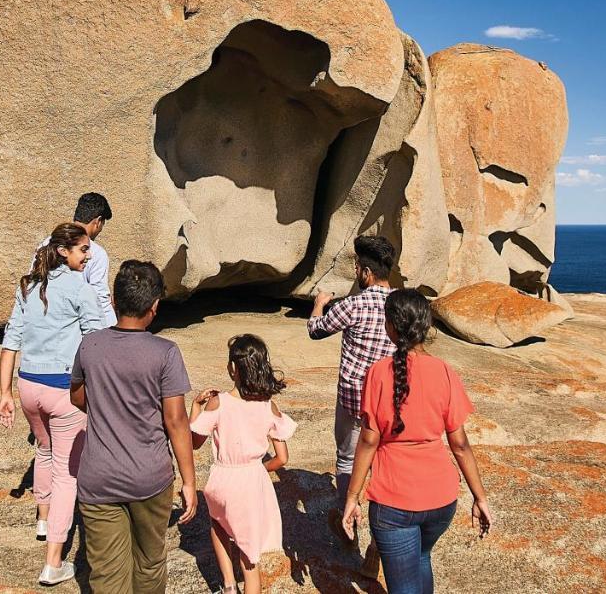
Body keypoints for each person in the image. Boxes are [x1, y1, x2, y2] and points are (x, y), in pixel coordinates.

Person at [340, 289, 493, 594]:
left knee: (404, 585)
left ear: (392, 326)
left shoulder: (378, 373)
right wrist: (480, 497)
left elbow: (369, 442)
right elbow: (460, 444)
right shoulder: (445, 371)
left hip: (394, 500)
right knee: (422, 558)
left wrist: (351, 498)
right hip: (441, 499)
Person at [70, 260, 197, 594]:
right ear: (154, 307)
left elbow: (78, 397)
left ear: (113, 303)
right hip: (150, 478)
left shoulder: (90, 346)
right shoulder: (165, 353)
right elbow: (176, 421)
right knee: (150, 564)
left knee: (107, 576)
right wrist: (189, 480)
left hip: (99, 479)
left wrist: (107, 408)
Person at [0, 222, 106, 587]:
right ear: (64, 251)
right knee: (67, 474)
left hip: (28, 386)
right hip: (63, 392)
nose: (88, 256)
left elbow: (11, 338)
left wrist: (5, 393)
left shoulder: (28, 284)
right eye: (84, 250)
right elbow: (94, 337)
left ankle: (43, 521)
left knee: (43, 451)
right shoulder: (81, 286)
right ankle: (53, 562)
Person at [190, 334, 297, 594]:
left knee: (218, 523)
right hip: (251, 482)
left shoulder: (219, 402)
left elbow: (194, 441)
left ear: (232, 369)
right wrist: (261, 468)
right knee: (250, 560)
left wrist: (195, 405)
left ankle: (227, 585)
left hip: (222, 480)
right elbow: (282, 458)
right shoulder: (268, 406)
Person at [306, 234, 397, 541]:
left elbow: (316, 331)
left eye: (358, 267)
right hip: (389, 403)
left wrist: (320, 304)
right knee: (383, 466)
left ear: (366, 272)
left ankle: (350, 525)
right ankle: (381, 537)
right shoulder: (401, 306)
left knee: (347, 459)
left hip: (353, 401)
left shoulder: (354, 305)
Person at [34, 192, 116, 325]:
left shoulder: (45, 244)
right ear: (98, 221)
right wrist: (111, 333)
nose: (87, 255)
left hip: (41, 323)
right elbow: (100, 301)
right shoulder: (97, 253)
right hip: (76, 328)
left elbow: (33, 283)